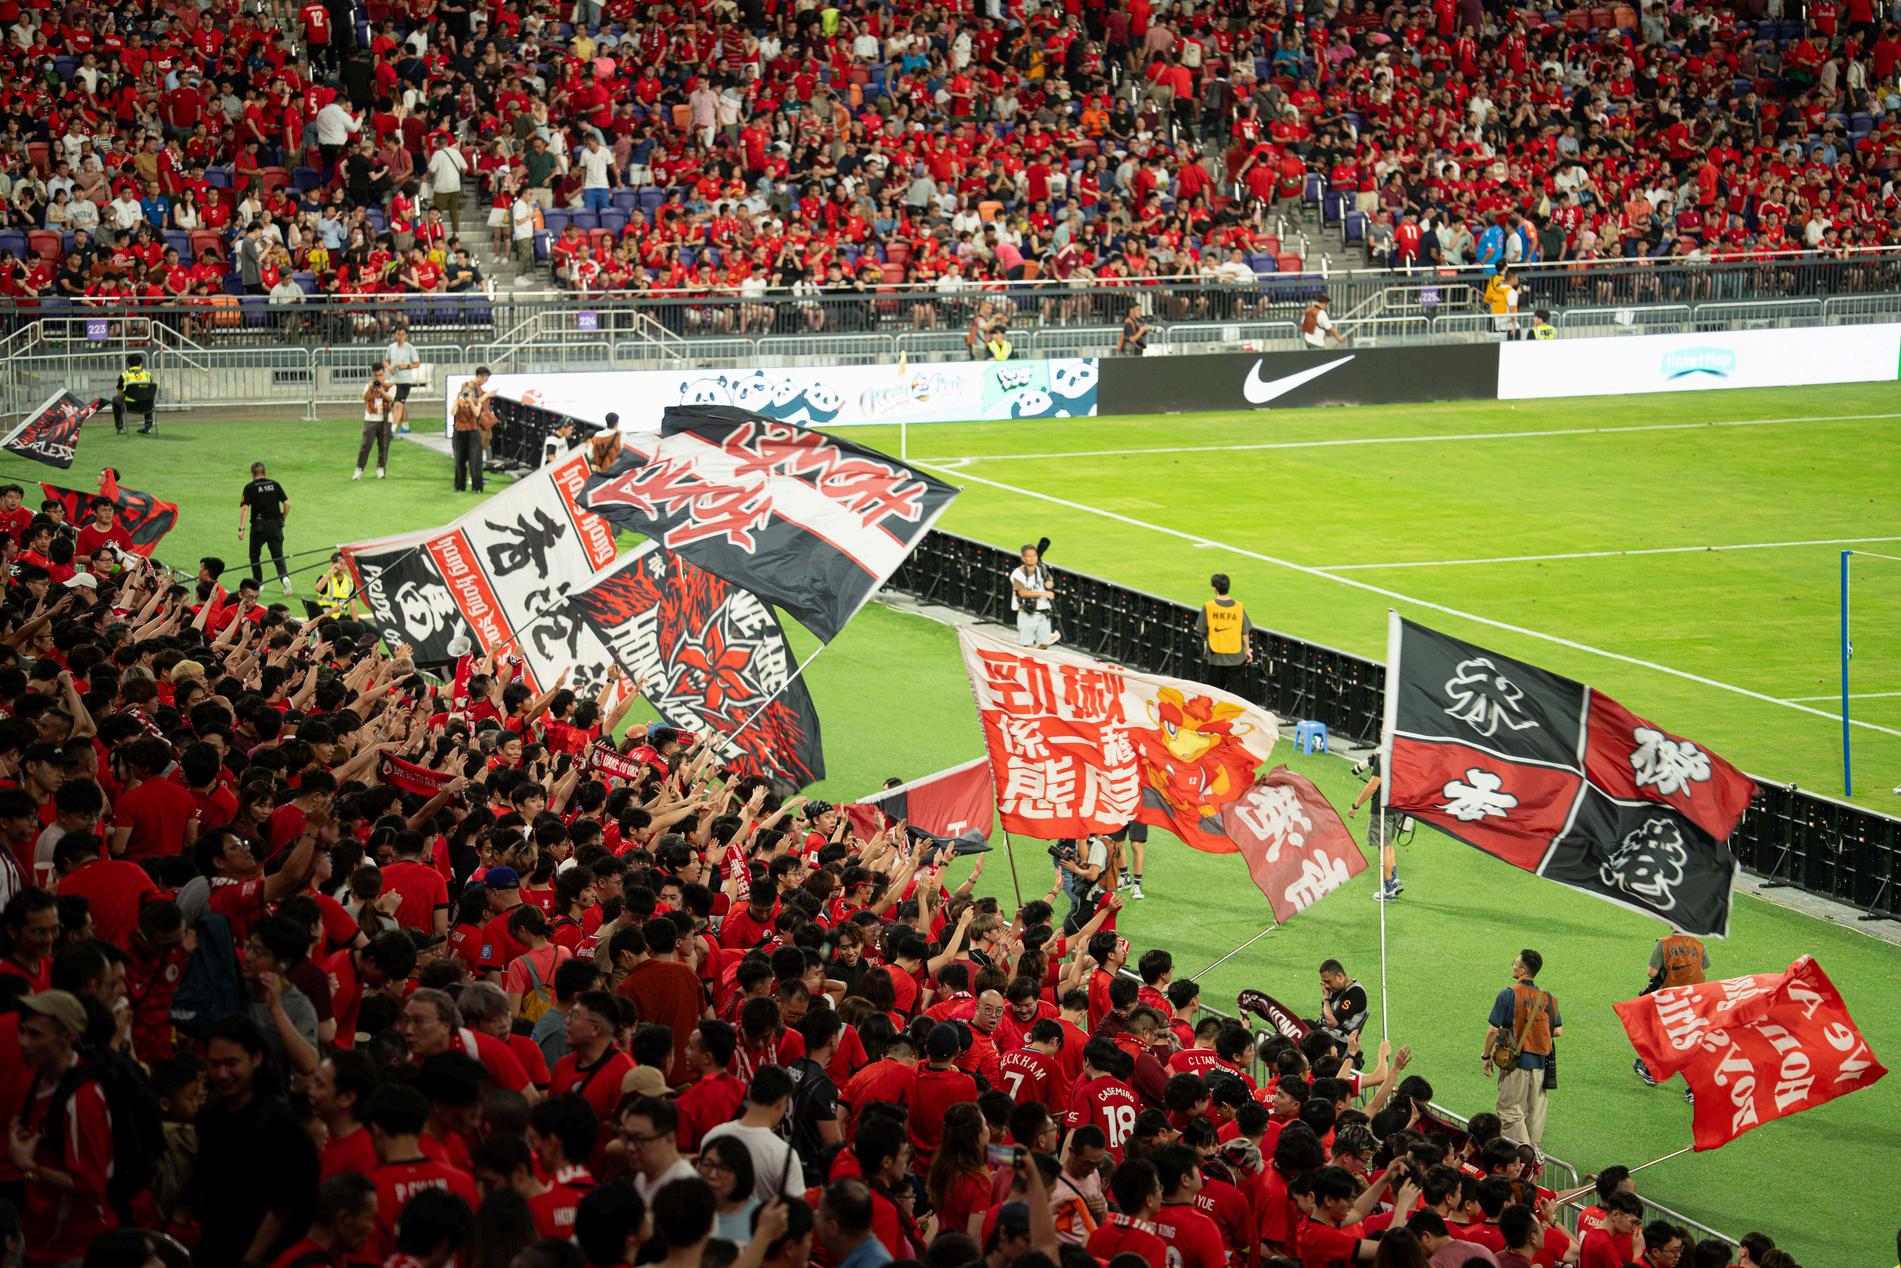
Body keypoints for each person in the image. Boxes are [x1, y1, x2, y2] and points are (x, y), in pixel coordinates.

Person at [1480, 949, 1560, 1150]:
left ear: (1522, 970)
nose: (1513, 965)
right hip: (1541, 1067)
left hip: (1515, 1065)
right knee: (1534, 1116)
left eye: (1515, 963)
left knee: (1510, 1113)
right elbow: (1557, 1031)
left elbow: (1492, 1030)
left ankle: (1523, 1158)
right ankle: (1535, 1153)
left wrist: (1486, 1056)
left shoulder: (1509, 995)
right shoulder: (1548, 998)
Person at [1634, 931, 1708, 1090]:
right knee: (1687, 1035)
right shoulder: (1699, 945)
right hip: (1694, 997)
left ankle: (1651, 1071)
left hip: (1670, 996)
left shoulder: (1663, 943)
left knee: (1660, 1030)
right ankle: (1695, 1085)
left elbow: (1652, 972)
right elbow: (1701, 968)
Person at [1347, 749, 1402, 901]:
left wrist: (1356, 805)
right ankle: (1395, 881)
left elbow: (1373, 784)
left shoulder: (1384, 754)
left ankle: (1388, 889)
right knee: (1388, 845)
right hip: (1397, 805)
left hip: (1382, 808)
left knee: (1383, 847)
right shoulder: (1402, 749)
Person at [238, 461, 294, 593]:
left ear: (252, 474)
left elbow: (245, 508)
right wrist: (283, 518)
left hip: (259, 528)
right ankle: (284, 578)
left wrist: (241, 529)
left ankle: (259, 583)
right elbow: (288, 504)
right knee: (278, 555)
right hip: (275, 526)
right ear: (265, 472)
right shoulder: (274, 484)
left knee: (254, 555)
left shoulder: (249, 487)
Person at [1195, 573, 1253, 697]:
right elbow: (1245, 632)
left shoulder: (1209, 606)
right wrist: (1247, 650)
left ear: (1214, 589)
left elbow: (1201, 629)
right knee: (1238, 695)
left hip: (1216, 656)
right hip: (1236, 657)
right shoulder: (1238, 607)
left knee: (1212, 694)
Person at [453, 368, 496, 494]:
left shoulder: (476, 402)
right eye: (465, 392)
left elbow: (477, 413)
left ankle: (477, 487)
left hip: (472, 433)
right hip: (459, 433)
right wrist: (457, 402)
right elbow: (453, 413)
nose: (467, 394)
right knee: (459, 461)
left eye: (469, 392)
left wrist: (471, 402)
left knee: (475, 460)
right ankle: (459, 486)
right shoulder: (459, 402)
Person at [1008, 543, 1057, 648]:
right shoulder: (1018, 574)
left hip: (1044, 612)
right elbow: (1022, 593)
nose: (1032, 558)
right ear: (1023, 558)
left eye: (1034, 555)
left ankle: (1038, 656)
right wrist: (1043, 593)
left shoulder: (1041, 568)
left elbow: (1049, 579)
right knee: (1028, 645)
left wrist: (1050, 583)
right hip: (1027, 613)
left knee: (1045, 644)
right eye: (1029, 556)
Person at [357, 364, 393, 482]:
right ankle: (359, 469)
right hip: (371, 418)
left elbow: (390, 398)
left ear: (384, 373)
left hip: (386, 419)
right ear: (373, 374)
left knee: (384, 446)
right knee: (366, 446)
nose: (378, 378)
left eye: (380, 375)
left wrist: (381, 391)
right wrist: (370, 389)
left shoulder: (390, 385)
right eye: (376, 375)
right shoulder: (369, 385)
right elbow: (364, 398)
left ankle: (380, 469)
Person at [385, 325, 424, 435]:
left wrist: (406, 366)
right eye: (398, 334)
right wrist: (389, 367)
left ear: (406, 336)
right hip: (394, 380)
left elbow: (417, 364)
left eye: (402, 335)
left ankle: (392, 429)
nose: (400, 337)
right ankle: (405, 427)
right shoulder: (391, 347)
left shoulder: (410, 348)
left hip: (405, 381)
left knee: (398, 404)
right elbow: (386, 361)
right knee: (400, 404)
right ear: (395, 335)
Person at [111, 353, 157, 435]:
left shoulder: (124, 375)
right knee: (149, 397)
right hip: (147, 406)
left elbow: (119, 394)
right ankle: (148, 427)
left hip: (129, 406)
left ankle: (120, 428)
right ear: (140, 364)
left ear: (128, 364)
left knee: (115, 399)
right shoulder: (148, 375)